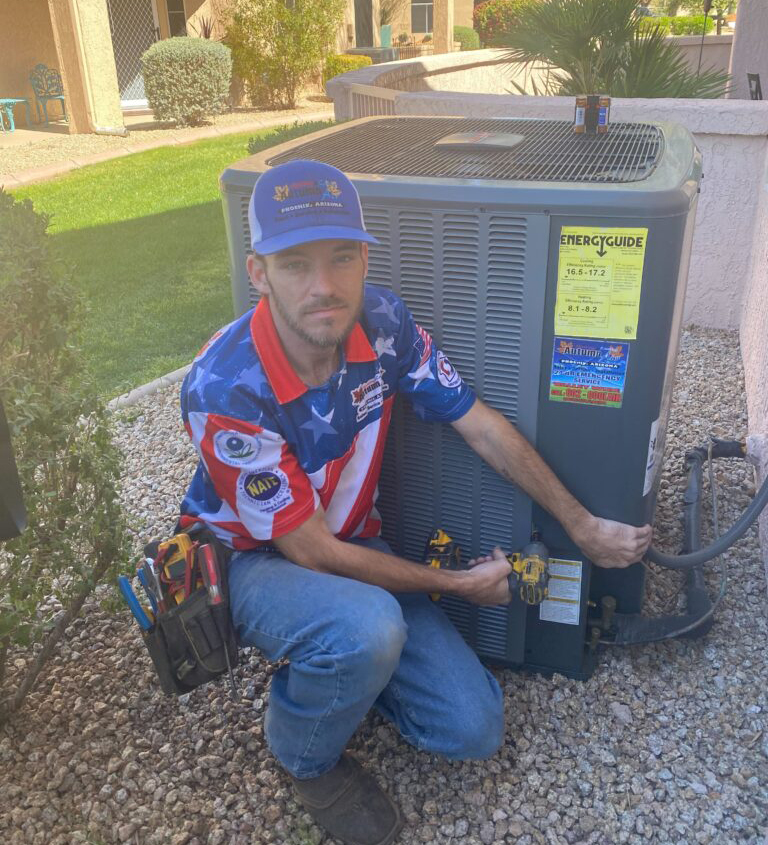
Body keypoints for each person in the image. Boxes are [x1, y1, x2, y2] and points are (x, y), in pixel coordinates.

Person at [178, 160, 652, 845]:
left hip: (352, 544)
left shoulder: (385, 324)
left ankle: (348, 669)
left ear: (365, 260)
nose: (323, 285)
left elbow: (481, 426)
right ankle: (300, 750)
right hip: (250, 559)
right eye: (295, 264)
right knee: (369, 628)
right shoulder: (224, 386)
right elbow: (309, 551)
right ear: (259, 272)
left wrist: (580, 524)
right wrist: (456, 584)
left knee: (472, 727)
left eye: (342, 257)